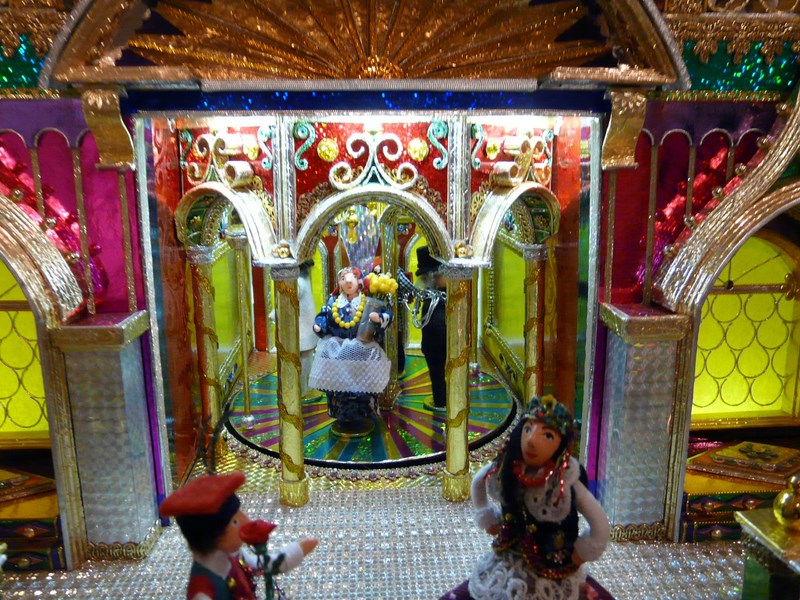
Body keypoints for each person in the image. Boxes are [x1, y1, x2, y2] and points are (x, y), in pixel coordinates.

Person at [441, 396, 610, 600]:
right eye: (528, 429)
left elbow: (600, 523)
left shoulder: (565, 481)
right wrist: (488, 518)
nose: (531, 441)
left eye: (548, 435)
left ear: (561, 445)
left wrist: (583, 552)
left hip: (553, 567)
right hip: (509, 557)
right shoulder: (508, 468)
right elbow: (478, 482)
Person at [159, 472, 319, 600]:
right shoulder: (203, 588)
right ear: (212, 536)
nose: (247, 522)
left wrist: (297, 550)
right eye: (235, 522)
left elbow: (262, 564)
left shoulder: (234, 557)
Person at [308, 266, 392, 428]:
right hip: (337, 350)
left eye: (352, 277)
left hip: (363, 349)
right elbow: (324, 315)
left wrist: (379, 318)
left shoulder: (368, 301)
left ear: (359, 281)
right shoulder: (333, 303)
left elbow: (387, 314)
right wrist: (320, 325)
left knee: (362, 387)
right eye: (343, 278)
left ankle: (363, 414)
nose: (348, 281)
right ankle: (341, 415)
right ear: (339, 284)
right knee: (339, 387)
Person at [415, 246, 447, 409]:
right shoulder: (433, 298)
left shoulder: (438, 296)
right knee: (438, 375)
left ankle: (442, 400)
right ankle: (441, 400)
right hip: (436, 346)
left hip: (438, 346)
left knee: (439, 375)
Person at [297, 259, 318, 398]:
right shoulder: (304, 280)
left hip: (302, 330)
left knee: (303, 362)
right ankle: (307, 387)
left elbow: (289, 302)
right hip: (307, 328)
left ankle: (303, 389)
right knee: (307, 360)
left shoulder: (298, 282)